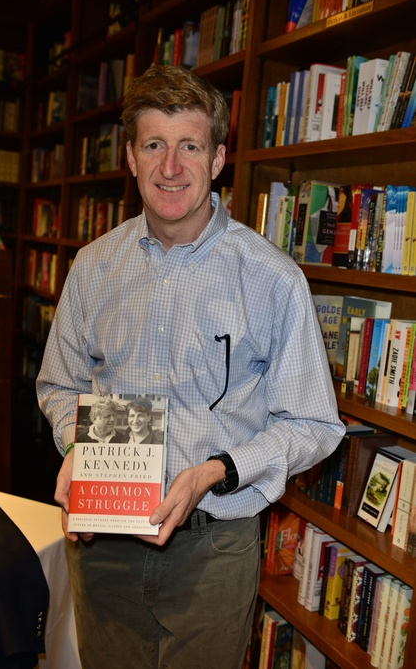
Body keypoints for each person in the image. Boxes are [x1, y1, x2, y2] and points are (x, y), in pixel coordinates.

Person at [37, 64, 345, 669]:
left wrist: (216, 471)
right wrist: (76, 444)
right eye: (154, 145)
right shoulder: (92, 267)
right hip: (103, 546)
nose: (171, 166)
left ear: (219, 158)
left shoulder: (272, 279)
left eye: (191, 147)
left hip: (214, 548)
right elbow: (59, 383)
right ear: (131, 158)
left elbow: (314, 423)